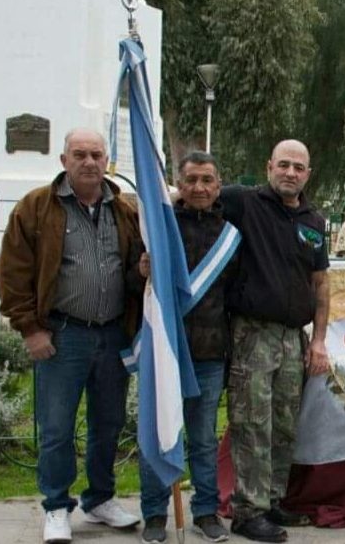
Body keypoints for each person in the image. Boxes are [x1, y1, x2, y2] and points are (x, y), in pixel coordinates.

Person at [0, 128, 141, 543]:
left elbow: (131, 271)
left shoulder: (123, 211)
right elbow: (12, 273)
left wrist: (142, 271)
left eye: (96, 154)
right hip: (61, 335)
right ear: (64, 160)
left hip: (113, 335)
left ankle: (99, 499)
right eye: (79, 154)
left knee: (108, 423)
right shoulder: (36, 208)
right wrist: (30, 329)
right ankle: (57, 506)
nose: (89, 162)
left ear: (106, 160)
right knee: (58, 426)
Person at [220, 139, 330, 543]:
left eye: (298, 167)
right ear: (269, 166)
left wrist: (318, 341)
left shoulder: (313, 220)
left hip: (292, 338)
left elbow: (320, 284)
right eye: (283, 165)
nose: (290, 173)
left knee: (284, 425)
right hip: (253, 333)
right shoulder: (243, 203)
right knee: (253, 423)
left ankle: (272, 498)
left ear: (307, 174)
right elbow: (189, 197)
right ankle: (247, 510)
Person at [132, 152, 236, 543]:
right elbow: (131, 280)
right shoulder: (159, 226)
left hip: (209, 353)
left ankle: (206, 512)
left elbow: (235, 295)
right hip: (166, 350)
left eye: (207, 180)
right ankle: (155, 515)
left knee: (203, 438)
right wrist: (139, 270)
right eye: (191, 179)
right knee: (158, 435)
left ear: (218, 186)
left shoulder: (228, 233)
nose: (199, 187)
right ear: (179, 183)